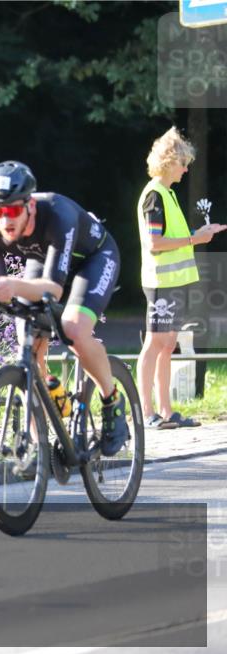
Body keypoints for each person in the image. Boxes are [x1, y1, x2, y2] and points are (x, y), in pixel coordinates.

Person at [0, 161, 128, 457]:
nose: (5, 219)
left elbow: (53, 289)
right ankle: (39, 443)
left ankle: (112, 400)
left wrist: (12, 285)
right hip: (44, 261)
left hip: (93, 260)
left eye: (12, 210)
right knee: (27, 345)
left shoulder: (58, 213)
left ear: (30, 205)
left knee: (73, 330)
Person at [136, 127, 226, 429]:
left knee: (168, 344)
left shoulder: (167, 193)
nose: (186, 170)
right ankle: (146, 413)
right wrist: (194, 239)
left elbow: (170, 237)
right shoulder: (154, 196)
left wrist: (198, 234)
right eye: (183, 163)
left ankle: (166, 411)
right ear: (168, 162)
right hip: (161, 283)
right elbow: (155, 243)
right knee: (155, 343)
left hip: (174, 283)